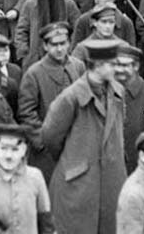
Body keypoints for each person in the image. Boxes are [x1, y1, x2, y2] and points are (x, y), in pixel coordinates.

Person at [41, 38, 127, 234]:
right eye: (113, 64)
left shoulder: (117, 92)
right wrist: (73, 158)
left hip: (111, 182)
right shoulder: (70, 98)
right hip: (78, 184)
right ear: (97, 66)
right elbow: (50, 136)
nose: (119, 68)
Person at [17, 22, 85, 181]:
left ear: (69, 43)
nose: (60, 49)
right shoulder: (34, 73)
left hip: (76, 144)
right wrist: (44, 141)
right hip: (47, 152)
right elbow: (27, 113)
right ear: (45, 46)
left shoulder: (78, 66)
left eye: (63, 43)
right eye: (54, 45)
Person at [0, 123, 54, 234]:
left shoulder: (35, 177)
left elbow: (45, 221)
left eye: (15, 149)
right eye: (3, 148)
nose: (8, 156)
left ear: (24, 151)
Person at [114, 44, 144, 173]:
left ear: (136, 67)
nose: (119, 69)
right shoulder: (107, 89)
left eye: (124, 66)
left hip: (138, 162)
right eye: (117, 64)